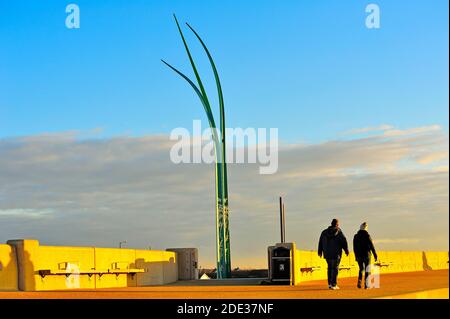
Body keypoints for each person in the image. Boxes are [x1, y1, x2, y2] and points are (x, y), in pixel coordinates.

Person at [318, 218, 349, 290]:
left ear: (331, 223)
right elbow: (344, 241)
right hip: (336, 253)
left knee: (329, 268)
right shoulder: (339, 231)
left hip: (327, 253)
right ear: (337, 224)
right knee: (335, 268)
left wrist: (320, 251)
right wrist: (346, 250)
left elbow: (320, 241)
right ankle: (334, 284)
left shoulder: (324, 232)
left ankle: (329, 284)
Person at [353, 222, 378, 289]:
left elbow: (354, 247)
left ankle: (359, 281)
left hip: (359, 255)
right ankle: (367, 285)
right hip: (367, 255)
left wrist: (356, 256)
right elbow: (372, 246)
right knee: (367, 269)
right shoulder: (367, 236)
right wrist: (375, 255)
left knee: (361, 269)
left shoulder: (356, 236)